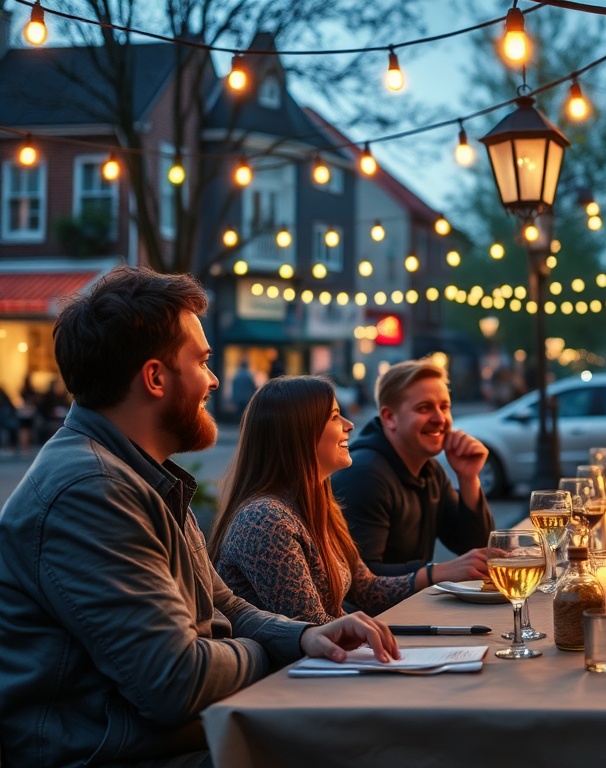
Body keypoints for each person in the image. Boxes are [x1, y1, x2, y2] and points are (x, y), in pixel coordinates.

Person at [0, 267, 399, 768]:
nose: (214, 380)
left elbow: (222, 602)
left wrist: (301, 636)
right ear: (155, 378)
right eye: (204, 361)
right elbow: (176, 682)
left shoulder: (141, 474)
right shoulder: (92, 490)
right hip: (117, 756)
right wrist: (274, 650)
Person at [209, 376, 417, 619]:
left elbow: (367, 591)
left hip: (325, 655)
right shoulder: (265, 520)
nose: (349, 425)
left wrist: (442, 575)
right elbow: (312, 627)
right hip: (291, 659)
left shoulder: (319, 506)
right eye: (335, 416)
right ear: (299, 432)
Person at [331, 359, 493, 587]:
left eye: (444, 407)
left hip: (410, 609)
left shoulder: (430, 471)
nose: (440, 419)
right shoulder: (364, 475)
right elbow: (358, 582)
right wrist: (436, 572)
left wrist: (468, 478)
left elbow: (476, 550)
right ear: (389, 418)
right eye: (424, 408)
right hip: (366, 620)